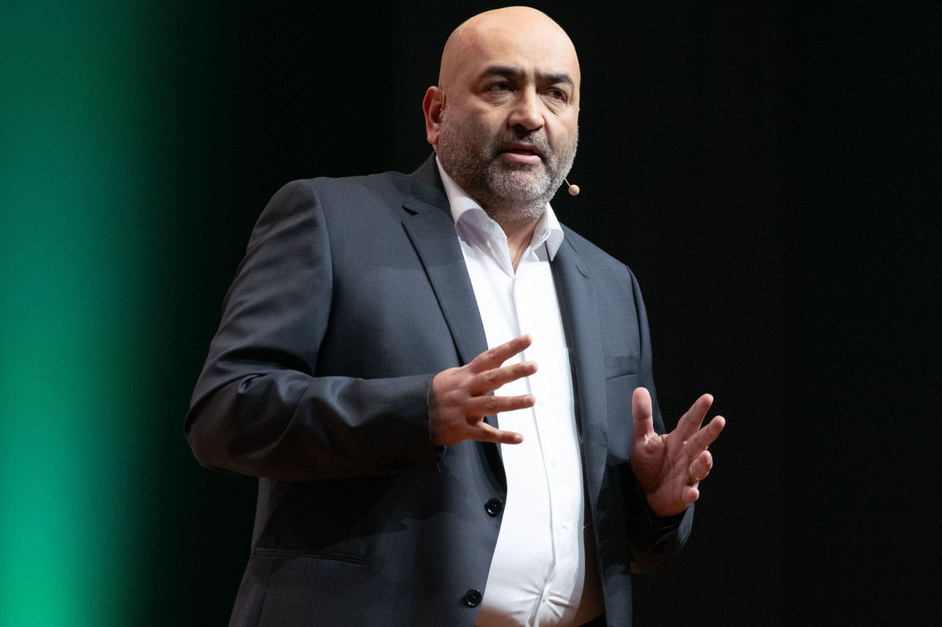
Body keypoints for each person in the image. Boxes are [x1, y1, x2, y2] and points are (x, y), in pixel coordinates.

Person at [186, 7, 725, 627]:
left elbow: (628, 550)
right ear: (436, 113)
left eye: (555, 94)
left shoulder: (609, 283)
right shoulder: (332, 221)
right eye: (501, 86)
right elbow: (225, 411)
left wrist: (655, 505)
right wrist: (416, 412)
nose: (530, 114)